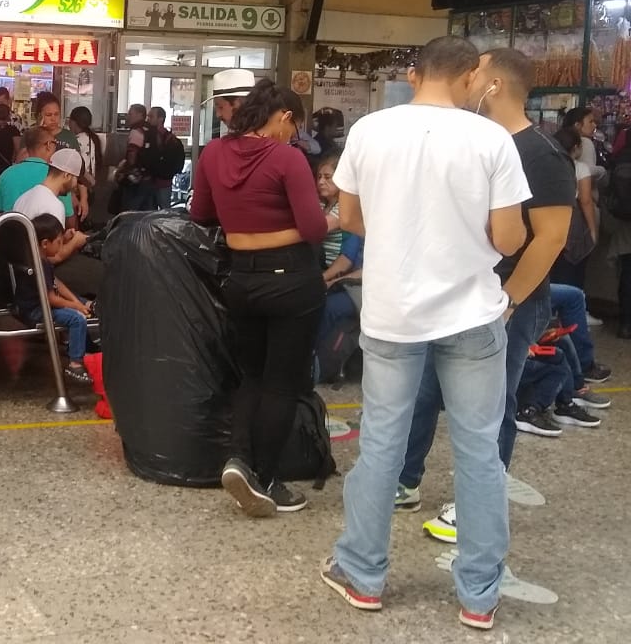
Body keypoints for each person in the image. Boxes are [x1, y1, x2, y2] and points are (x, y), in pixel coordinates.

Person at [321, 37, 529, 631]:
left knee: (382, 445)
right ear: (468, 78)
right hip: (471, 316)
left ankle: (362, 575)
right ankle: (479, 598)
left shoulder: (371, 131)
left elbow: (354, 219)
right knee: (479, 453)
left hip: (391, 316)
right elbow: (511, 239)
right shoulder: (491, 139)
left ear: (417, 75)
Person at [394, 47, 574, 541]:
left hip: (509, 301)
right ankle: (404, 480)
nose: (465, 79)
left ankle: (474, 506)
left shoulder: (540, 153)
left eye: (474, 72)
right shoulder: (476, 140)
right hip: (458, 294)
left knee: (492, 404)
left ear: (492, 84)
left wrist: (509, 301)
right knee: (427, 390)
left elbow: (551, 237)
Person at [191, 79, 328, 515]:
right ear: (284, 117)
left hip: (241, 282)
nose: (294, 136)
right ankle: (269, 479)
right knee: (282, 384)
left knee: (251, 377)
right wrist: (340, 218)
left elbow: (200, 213)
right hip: (291, 281)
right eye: (295, 126)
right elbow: (313, 228)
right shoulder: (287, 159)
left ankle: (238, 460)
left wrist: (244, 225)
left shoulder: (213, 153)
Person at [18, 213, 95, 385]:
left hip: (34, 304)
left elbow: (56, 283)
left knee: (79, 301)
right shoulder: (40, 264)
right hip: (36, 311)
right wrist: (75, 306)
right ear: (45, 243)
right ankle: (75, 363)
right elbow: (51, 298)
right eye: (59, 242)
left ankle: (89, 314)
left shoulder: (37, 256)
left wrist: (76, 301)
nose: (61, 246)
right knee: (77, 319)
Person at [0, 126, 76, 225]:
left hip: (14, 235)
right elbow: (69, 217)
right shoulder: (56, 175)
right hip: (49, 237)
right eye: (55, 143)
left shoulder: (6, 174)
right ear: (49, 145)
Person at [551, 126, 598, 290]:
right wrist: (592, 230)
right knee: (571, 271)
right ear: (576, 148)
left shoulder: (548, 165)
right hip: (572, 223)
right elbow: (585, 201)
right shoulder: (581, 168)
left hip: (549, 221)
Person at [12, 148, 82, 223]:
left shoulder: (22, 198)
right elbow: (53, 235)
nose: (75, 185)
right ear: (67, 175)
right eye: (76, 178)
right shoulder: (54, 206)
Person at [116, 104, 154, 212]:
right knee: (145, 213)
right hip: (149, 177)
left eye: (130, 114)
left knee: (129, 212)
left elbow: (132, 156)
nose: (127, 117)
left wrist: (122, 171)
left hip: (135, 180)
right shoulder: (150, 129)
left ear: (140, 115)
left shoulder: (136, 131)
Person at [68, 106, 104, 202]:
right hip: (89, 186)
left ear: (74, 122)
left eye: (69, 120)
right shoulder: (91, 137)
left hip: (80, 188)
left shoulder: (77, 141)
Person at [316, 155, 345, 269]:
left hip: (331, 268)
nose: (321, 182)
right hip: (316, 263)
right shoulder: (321, 203)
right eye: (319, 177)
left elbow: (317, 229)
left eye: (327, 177)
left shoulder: (344, 206)